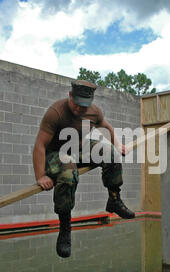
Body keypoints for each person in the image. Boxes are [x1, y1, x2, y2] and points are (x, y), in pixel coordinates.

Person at [33, 80, 135, 258]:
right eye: (77, 104)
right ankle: (65, 228)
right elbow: (40, 145)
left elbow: (108, 127)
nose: (80, 109)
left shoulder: (94, 112)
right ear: (70, 96)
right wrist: (40, 176)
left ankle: (114, 200)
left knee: (109, 152)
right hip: (55, 154)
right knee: (68, 171)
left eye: (84, 106)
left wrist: (118, 145)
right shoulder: (55, 112)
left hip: (78, 149)